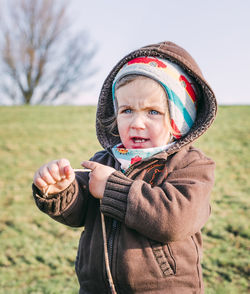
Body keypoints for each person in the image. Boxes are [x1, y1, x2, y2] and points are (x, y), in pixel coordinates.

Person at [32, 41, 217, 294]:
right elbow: (79, 212)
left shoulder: (191, 165)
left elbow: (176, 220)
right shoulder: (105, 161)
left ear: (179, 121)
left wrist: (111, 188)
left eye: (153, 112)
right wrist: (60, 192)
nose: (137, 123)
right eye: (127, 110)